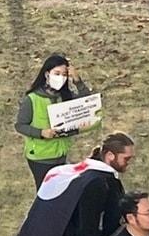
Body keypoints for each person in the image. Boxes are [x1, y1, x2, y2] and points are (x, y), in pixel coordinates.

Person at [15, 54, 97, 188]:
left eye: (64, 75)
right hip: (41, 158)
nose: (61, 78)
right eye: (57, 73)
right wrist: (41, 132)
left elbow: (88, 104)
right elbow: (20, 125)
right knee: (46, 193)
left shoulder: (64, 96)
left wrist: (77, 80)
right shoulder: (32, 99)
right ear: (47, 74)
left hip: (61, 155)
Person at [63, 131, 135, 236]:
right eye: (126, 158)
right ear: (110, 155)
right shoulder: (97, 183)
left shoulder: (101, 177)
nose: (129, 162)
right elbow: (88, 227)